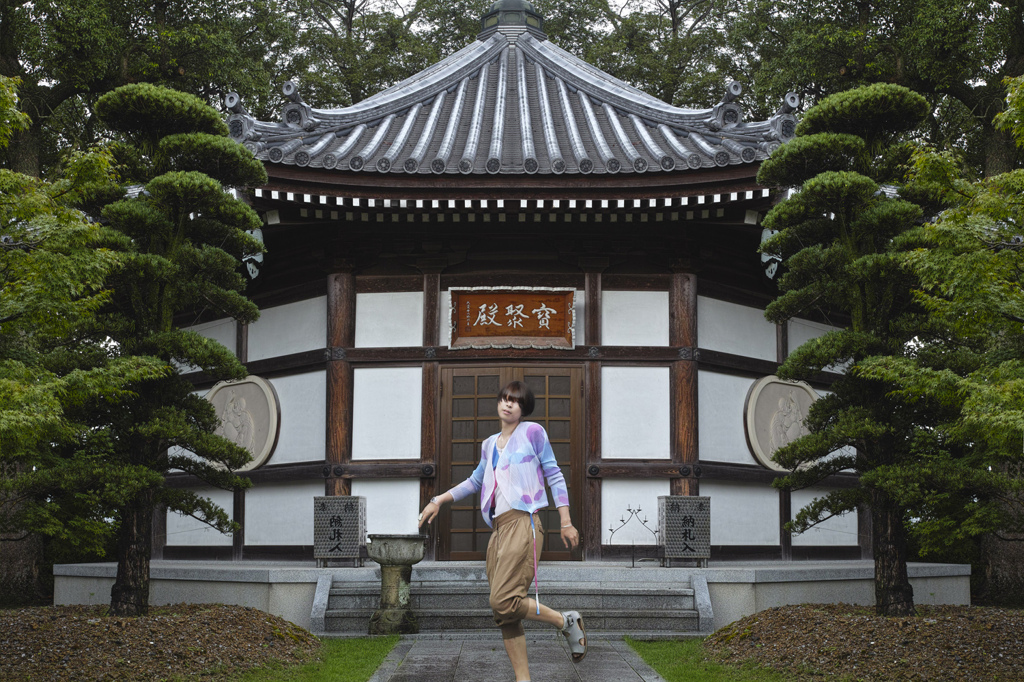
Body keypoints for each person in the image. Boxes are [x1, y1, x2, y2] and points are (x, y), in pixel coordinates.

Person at [418, 380, 587, 681]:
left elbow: (554, 474)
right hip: (499, 529)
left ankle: (565, 621)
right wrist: (439, 500)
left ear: (523, 409)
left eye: (516, 401)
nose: (508, 404)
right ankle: (524, 679)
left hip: (524, 523)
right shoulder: (489, 444)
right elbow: (474, 481)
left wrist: (566, 520)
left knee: (504, 599)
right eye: (504, 399)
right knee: (503, 613)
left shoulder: (532, 432)